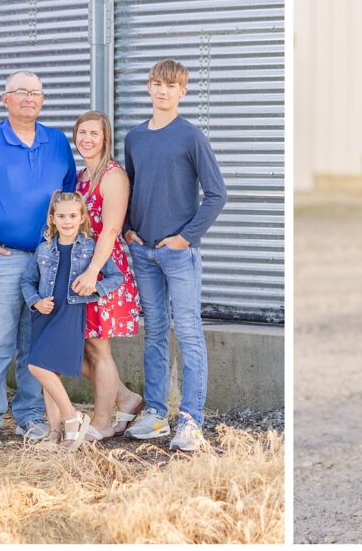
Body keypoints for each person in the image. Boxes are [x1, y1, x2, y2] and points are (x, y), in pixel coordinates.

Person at [0, 71, 77, 448]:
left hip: (44, 259)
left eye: (36, 93)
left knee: (31, 343)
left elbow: (67, 197)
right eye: (21, 92)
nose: (29, 99)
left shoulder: (56, 142)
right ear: (5, 99)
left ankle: (29, 416)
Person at [122, 59, 228, 452]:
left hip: (178, 255)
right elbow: (133, 187)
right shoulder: (135, 138)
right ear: (148, 89)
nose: (162, 90)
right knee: (153, 333)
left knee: (187, 331)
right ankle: (154, 413)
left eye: (171, 85)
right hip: (143, 252)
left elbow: (217, 194)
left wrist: (185, 238)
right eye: (156, 83)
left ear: (183, 92)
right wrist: (130, 230)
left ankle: (190, 420)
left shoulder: (190, 137)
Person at [21, 192, 125, 451]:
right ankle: (58, 433)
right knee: (49, 373)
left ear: (81, 218)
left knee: (37, 366)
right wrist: (35, 301)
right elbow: (27, 280)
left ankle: (72, 417)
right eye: (61, 216)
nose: (67, 221)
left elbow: (116, 277)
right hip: (44, 313)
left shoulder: (91, 247)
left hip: (70, 312)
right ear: (52, 219)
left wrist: (93, 288)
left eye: (72, 216)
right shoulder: (44, 248)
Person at [69, 110, 143, 440]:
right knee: (79, 349)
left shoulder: (112, 176)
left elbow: (111, 228)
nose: (87, 139)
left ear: (105, 138)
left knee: (99, 349)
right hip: (80, 268)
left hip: (102, 270)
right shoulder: (78, 176)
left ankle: (101, 422)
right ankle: (126, 397)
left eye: (94, 133)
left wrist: (92, 273)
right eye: (82, 132)